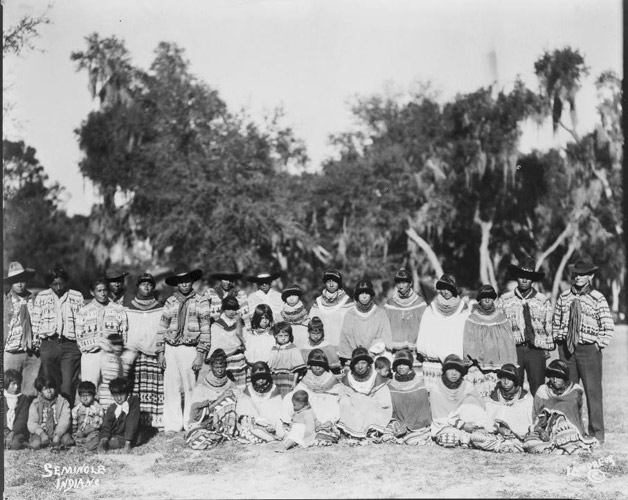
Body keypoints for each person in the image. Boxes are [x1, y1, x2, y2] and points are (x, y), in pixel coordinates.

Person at [551, 255, 614, 445]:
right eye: (576, 274)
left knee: (593, 391)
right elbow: (556, 320)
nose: (578, 277)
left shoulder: (597, 298)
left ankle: (597, 433)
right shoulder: (564, 296)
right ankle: (572, 430)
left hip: (588, 350)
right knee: (569, 391)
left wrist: (598, 344)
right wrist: (558, 339)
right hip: (567, 350)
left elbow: (608, 325)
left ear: (590, 276)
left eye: (583, 274)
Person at [156, 265, 211, 434]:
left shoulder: (201, 301)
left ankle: (190, 422)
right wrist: (160, 352)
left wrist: (200, 354)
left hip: (190, 348)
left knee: (190, 386)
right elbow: (162, 327)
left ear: (192, 281)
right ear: (177, 284)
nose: (184, 284)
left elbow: (206, 329)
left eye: (187, 280)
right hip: (171, 348)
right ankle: (172, 424)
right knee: (171, 386)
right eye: (181, 281)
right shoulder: (170, 302)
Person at [495, 258, 553, 396]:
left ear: (532, 279)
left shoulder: (542, 300)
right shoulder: (505, 299)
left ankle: (538, 416)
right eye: (521, 277)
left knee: (538, 389)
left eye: (528, 277)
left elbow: (548, 325)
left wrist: (546, 348)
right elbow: (498, 325)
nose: (525, 280)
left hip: (536, 350)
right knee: (514, 386)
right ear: (516, 277)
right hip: (514, 349)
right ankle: (515, 416)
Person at [32, 265, 84, 406]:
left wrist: (81, 343)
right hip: (49, 344)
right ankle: (52, 418)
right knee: (50, 383)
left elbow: (81, 321)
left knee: (68, 384)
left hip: (70, 345)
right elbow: (35, 321)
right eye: (55, 284)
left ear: (66, 282)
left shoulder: (76, 296)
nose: (59, 287)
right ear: (49, 284)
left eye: (61, 283)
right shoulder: (42, 296)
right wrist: (37, 342)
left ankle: (67, 419)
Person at [524, 360, 597, 454]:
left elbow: (570, 409)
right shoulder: (543, 390)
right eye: (551, 376)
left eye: (558, 377)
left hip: (569, 426)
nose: (554, 380)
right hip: (546, 429)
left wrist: (554, 407)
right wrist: (541, 430)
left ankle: (559, 446)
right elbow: (537, 414)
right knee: (530, 443)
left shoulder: (575, 389)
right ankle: (561, 447)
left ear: (564, 377)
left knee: (563, 422)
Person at [76, 277, 128, 406]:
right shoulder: (84, 311)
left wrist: (115, 351)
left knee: (110, 388)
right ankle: (90, 418)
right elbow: (79, 337)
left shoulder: (118, 309)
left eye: (105, 290)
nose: (103, 293)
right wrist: (95, 343)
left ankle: (111, 418)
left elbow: (124, 335)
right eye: (99, 291)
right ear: (92, 292)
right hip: (90, 355)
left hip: (111, 356)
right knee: (89, 387)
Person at [428, 355, 498, 450]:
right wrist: (461, 425)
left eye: (458, 370)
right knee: (450, 439)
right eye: (450, 369)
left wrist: (470, 423)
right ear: (445, 371)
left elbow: (478, 406)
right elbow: (439, 417)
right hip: (445, 425)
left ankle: (472, 436)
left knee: (472, 402)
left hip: (468, 422)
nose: (454, 373)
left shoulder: (467, 386)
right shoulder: (436, 387)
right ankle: (467, 437)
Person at [123, 272, 164, 430]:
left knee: (154, 388)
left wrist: (160, 352)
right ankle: (135, 421)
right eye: (143, 284)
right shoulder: (128, 309)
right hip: (135, 356)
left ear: (153, 287)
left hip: (153, 355)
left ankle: (154, 421)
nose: (146, 286)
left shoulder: (160, 309)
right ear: (137, 287)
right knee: (135, 388)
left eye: (149, 284)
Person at [416, 274, 471, 389]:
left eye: (449, 288)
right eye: (443, 288)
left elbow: (467, 335)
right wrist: (424, 350)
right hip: (434, 364)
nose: (446, 291)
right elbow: (424, 333)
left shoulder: (464, 310)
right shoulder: (431, 309)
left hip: (455, 364)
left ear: (455, 289)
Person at [463, 285, 517, 397]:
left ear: (493, 299)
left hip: (498, 369)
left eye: (490, 297)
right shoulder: (471, 320)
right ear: (479, 300)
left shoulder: (503, 319)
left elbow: (509, 344)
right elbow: (467, 344)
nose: (487, 300)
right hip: (478, 368)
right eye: (484, 297)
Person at [281, 349, 342, 445]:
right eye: (314, 365)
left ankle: (324, 429)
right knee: (289, 397)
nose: (317, 368)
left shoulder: (330, 378)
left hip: (325, 405)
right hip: (310, 406)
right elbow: (298, 391)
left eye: (320, 365)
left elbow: (338, 393)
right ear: (309, 365)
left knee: (336, 402)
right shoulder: (307, 377)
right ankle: (287, 425)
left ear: (325, 366)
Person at [186, 349, 238, 450]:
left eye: (222, 367)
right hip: (205, 425)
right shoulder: (201, 389)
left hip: (226, 425)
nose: (219, 370)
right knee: (197, 440)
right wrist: (220, 399)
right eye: (216, 367)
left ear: (226, 367)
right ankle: (217, 436)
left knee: (230, 400)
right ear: (211, 367)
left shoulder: (232, 386)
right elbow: (196, 414)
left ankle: (225, 434)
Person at [337, 347, 392, 441]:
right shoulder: (348, 379)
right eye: (357, 363)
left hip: (371, 411)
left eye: (363, 363)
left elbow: (384, 402)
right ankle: (350, 430)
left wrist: (365, 401)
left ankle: (372, 430)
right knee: (344, 400)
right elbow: (342, 396)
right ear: (352, 365)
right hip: (354, 411)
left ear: (368, 364)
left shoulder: (376, 378)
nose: (360, 366)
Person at [3, 262, 40, 397]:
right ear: (10, 283)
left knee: (30, 391)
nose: (19, 284)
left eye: (22, 280)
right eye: (15, 281)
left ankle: (27, 417)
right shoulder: (5, 301)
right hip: (12, 351)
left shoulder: (35, 299)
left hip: (32, 352)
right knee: (9, 389)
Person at [338, 280, 393, 364]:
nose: (364, 296)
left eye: (367, 293)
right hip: (355, 356)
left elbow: (385, 338)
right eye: (361, 293)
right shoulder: (350, 315)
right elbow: (346, 340)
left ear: (371, 295)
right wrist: (356, 355)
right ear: (357, 295)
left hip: (375, 354)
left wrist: (372, 353)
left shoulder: (380, 313)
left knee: (386, 359)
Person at [386, 350, 432, 445]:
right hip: (396, 422)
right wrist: (396, 423)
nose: (401, 367)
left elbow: (421, 410)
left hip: (416, 424)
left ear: (410, 366)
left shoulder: (418, 384)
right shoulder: (391, 384)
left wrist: (407, 424)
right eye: (398, 364)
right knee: (387, 435)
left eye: (405, 364)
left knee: (413, 440)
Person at [484, 363, 533, 451]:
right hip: (497, 434)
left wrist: (514, 430)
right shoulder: (494, 395)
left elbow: (528, 421)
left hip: (519, 435)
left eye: (509, 379)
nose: (506, 382)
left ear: (515, 380)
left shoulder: (525, 397)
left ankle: (512, 444)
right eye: (503, 378)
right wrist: (498, 429)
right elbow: (487, 419)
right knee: (476, 437)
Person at [236, 361, 285, 443]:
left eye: (264, 378)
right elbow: (242, 410)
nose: (261, 381)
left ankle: (267, 433)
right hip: (254, 421)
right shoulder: (248, 390)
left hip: (270, 422)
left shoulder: (273, 389)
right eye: (258, 378)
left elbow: (277, 411)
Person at [308, 269, 353, 352]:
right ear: (325, 283)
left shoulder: (347, 303)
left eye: (334, 281)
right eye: (328, 281)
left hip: (341, 349)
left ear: (339, 283)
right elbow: (310, 325)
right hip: (320, 349)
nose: (331, 284)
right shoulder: (318, 303)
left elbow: (352, 328)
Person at [208, 296, 248, 388]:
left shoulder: (240, 323)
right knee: (226, 387)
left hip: (239, 360)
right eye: (228, 309)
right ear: (224, 309)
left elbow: (244, 340)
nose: (231, 312)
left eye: (234, 309)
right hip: (225, 361)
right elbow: (216, 345)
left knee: (240, 387)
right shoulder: (217, 325)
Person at [384, 268, 427, 353]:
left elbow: (425, 328)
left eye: (404, 282)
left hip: (415, 351)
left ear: (410, 283)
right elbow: (385, 328)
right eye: (398, 283)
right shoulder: (390, 304)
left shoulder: (420, 303)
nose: (401, 286)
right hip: (395, 351)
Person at [27, 376, 74, 450]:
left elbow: (65, 420)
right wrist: (41, 433)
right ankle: (45, 441)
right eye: (45, 389)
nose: (49, 391)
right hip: (42, 431)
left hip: (58, 430)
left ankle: (55, 442)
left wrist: (58, 434)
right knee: (35, 444)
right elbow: (32, 423)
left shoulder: (63, 402)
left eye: (51, 388)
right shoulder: (35, 404)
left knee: (68, 441)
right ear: (40, 392)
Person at [98, 378, 142, 452]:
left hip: (130, 437)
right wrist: (104, 438)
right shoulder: (112, 407)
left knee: (98, 444)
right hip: (116, 436)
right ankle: (105, 442)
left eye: (121, 394)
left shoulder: (133, 402)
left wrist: (128, 442)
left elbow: (131, 423)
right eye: (115, 395)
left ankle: (115, 442)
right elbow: (106, 425)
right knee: (96, 441)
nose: (119, 398)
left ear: (127, 392)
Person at [267, 322, 307, 397]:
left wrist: (294, 382)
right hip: (275, 379)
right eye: (280, 336)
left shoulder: (293, 348)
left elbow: (297, 369)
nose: (283, 338)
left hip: (288, 379)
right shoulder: (274, 349)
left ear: (289, 336)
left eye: (286, 335)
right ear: (275, 336)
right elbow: (270, 366)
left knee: (287, 398)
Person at [3, 369, 32, 450]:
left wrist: (13, 432)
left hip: (17, 432)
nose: (16, 387)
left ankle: (23, 441)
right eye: (13, 384)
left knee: (15, 444)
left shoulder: (23, 398)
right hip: (4, 430)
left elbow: (22, 419)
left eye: (18, 384)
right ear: (6, 383)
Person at [71, 381, 104, 451]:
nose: (85, 399)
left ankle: (86, 445)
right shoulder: (76, 409)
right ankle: (81, 443)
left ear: (93, 395)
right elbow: (74, 423)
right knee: (70, 439)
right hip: (80, 432)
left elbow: (96, 425)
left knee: (95, 438)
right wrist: (76, 433)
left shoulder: (98, 408)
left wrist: (84, 433)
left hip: (92, 432)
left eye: (88, 396)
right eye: (82, 396)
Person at [279, 283, 310, 349]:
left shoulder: (305, 315)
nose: (291, 298)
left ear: (299, 296)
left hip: (302, 345)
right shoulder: (280, 317)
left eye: (294, 295)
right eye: (288, 296)